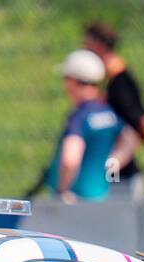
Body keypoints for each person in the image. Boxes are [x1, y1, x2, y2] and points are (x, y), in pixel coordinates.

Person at [83, 21, 144, 200]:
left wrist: (115, 160)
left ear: (99, 46)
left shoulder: (119, 84)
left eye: (87, 46)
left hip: (121, 176)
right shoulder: (110, 82)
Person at [43, 50, 123, 203]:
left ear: (73, 81)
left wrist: (63, 190)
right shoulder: (108, 112)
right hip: (100, 196)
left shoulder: (80, 116)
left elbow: (70, 159)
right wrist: (108, 166)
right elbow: (130, 139)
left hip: (75, 199)